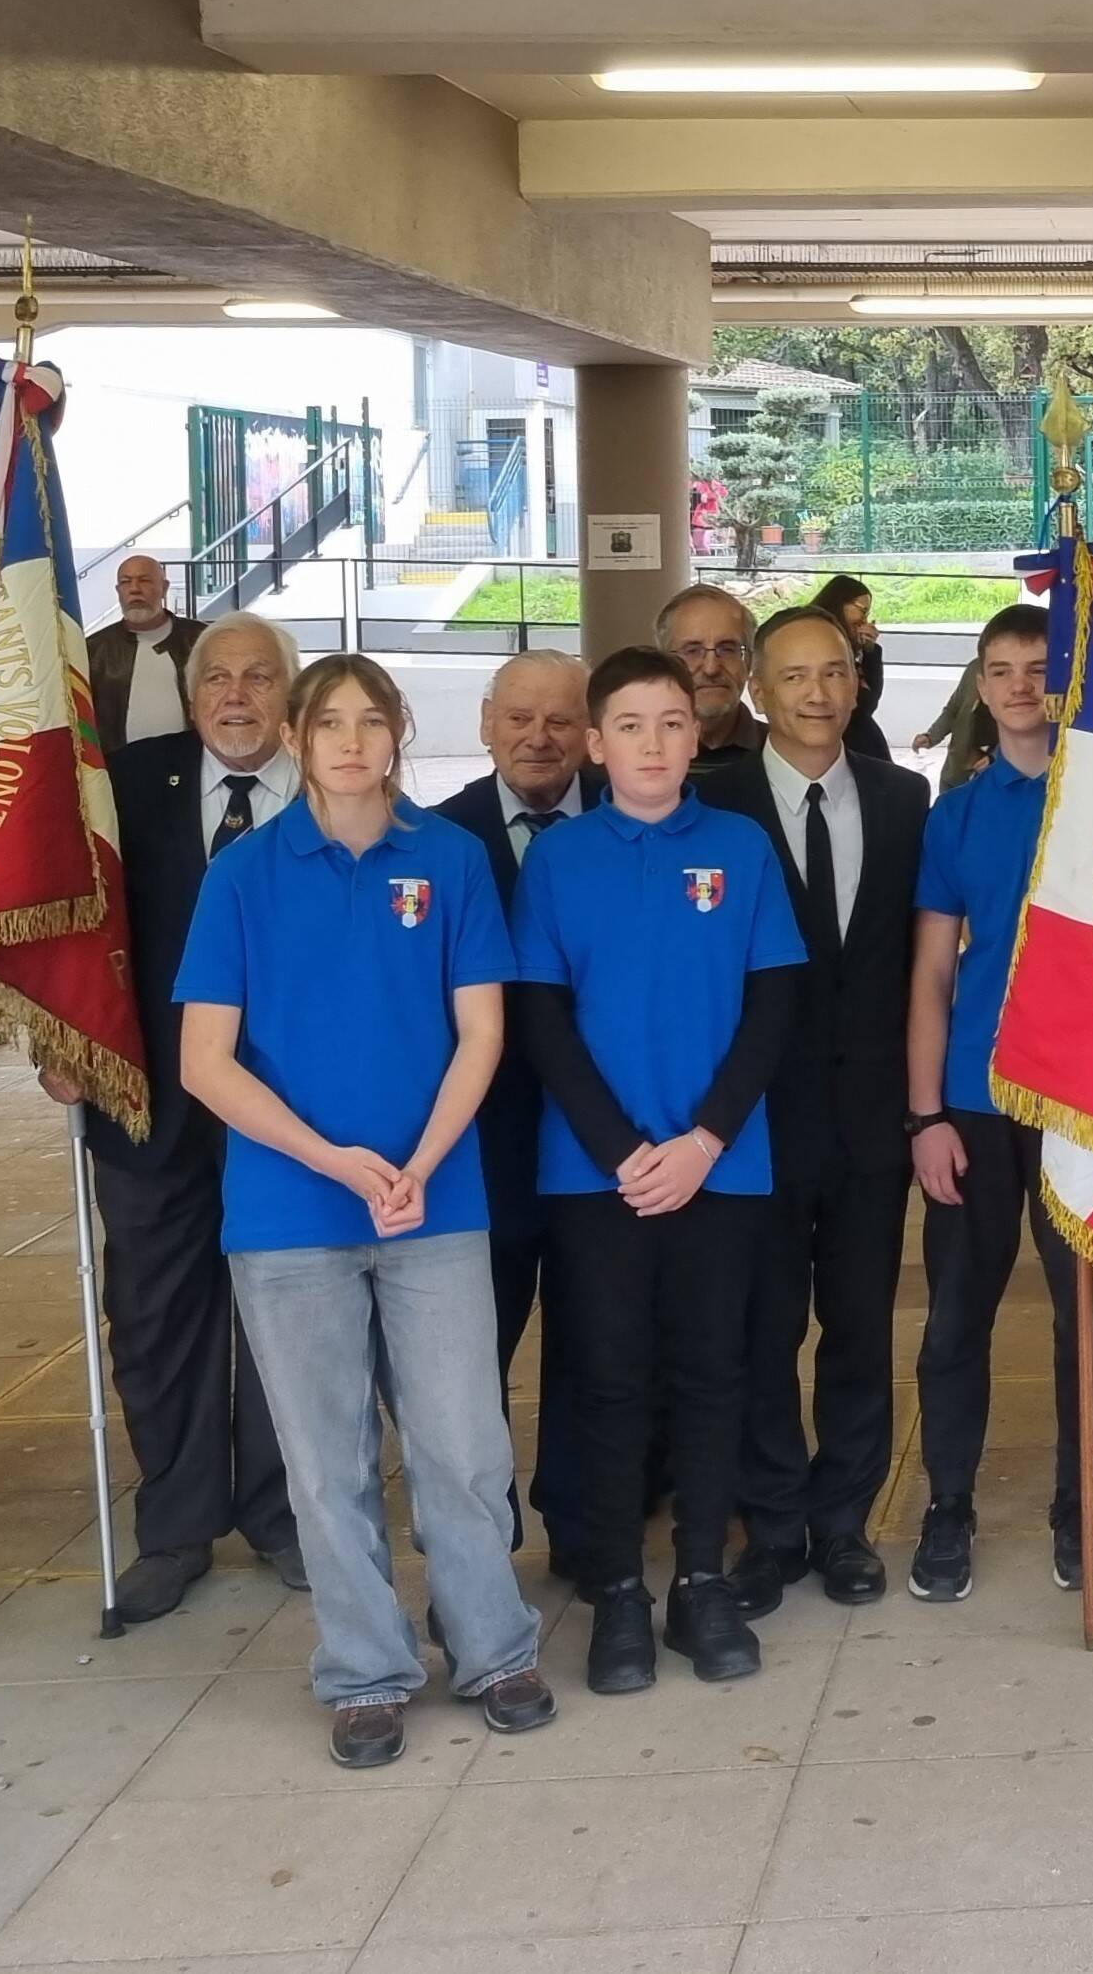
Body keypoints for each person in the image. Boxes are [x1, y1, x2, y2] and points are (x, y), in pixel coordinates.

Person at [173, 652, 556, 1769]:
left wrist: (419, 1161)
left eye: (370, 721)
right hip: (289, 1216)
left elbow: (482, 1030)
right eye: (328, 722)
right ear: (295, 738)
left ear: (398, 735)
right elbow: (206, 1061)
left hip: (435, 1206)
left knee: (463, 1445)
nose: (350, 741)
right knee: (326, 1461)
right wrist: (339, 1163)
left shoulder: (449, 860)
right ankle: (365, 1671)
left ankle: (493, 1649)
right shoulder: (241, 874)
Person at [510, 646, 811, 1695]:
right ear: (595, 744)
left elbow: (773, 1002)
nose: (653, 744)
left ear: (697, 736)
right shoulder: (558, 859)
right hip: (596, 1174)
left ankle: (698, 1581)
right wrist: (623, 1150)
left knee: (713, 1371)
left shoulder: (739, 847)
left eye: (672, 723)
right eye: (630, 726)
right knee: (607, 1378)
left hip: (717, 1167)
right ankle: (617, 1593)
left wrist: (703, 1140)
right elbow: (540, 1016)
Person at [903, 606, 1093, 1601]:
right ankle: (948, 1506)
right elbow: (932, 973)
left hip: (1081, 1098)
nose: (1020, 687)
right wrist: (925, 1114)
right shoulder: (957, 815)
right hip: (975, 1094)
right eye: (1001, 670)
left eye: (1038, 669)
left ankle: (1075, 1503)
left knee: (1080, 1319)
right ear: (979, 685)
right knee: (954, 1319)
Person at [50, 613, 306, 1624]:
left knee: (292, 1314)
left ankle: (285, 1512)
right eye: (217, 679)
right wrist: (61, 1034)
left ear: (289, 695)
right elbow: (71, 922)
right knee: (157, 1320)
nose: (236, 695)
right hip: (147, 1100)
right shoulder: (119, 786)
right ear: (191, 696)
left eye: (259, 677)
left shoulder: (334, 788)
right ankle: (175, 1525)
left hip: (295, 1113)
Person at [701, 604, 930, 1612]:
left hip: (870, 1117)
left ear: (857, 681)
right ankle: (771, 1526)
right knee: (761, 1330)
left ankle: (843, 1521)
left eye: (833, 671)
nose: (817, 692)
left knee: (859, 1327)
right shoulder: (712, 803)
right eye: (792, 675)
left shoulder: (902, 797)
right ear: (757, 690)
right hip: (753, 1119)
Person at [425, 651, 592, 1566]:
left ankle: (581, 1522)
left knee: (591, 1346)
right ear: (486, 724)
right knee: (469, 1355)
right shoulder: (436, 838)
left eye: (560, 720)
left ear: (589, 732)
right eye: (519, 718)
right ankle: (482, 1540)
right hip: (478, 1148)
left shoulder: (627, 820)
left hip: (601, 1140)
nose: (539, 738)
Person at [89, 552, 203, 749]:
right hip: (119, 762)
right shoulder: (94, 650)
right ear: (118, 591)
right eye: (126, 582)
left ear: (164, 588)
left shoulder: (202, 640)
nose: (134, 589)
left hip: (193, 759)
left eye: (144, 580)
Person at [660, 584, 765, 783]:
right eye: (692, 651)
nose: (711, 668)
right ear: (664, 664)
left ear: (749, 661)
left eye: (727, 649)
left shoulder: (781, 753)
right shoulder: (630, 757)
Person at [804, 573, 894, 761]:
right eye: (862, 610)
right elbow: (862, 704)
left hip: (859, 742)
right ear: (841, 603)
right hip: (840, 745)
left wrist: (870, 651)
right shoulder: (819, 641)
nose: (865, 620)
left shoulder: (852, 648)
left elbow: (869, 702)